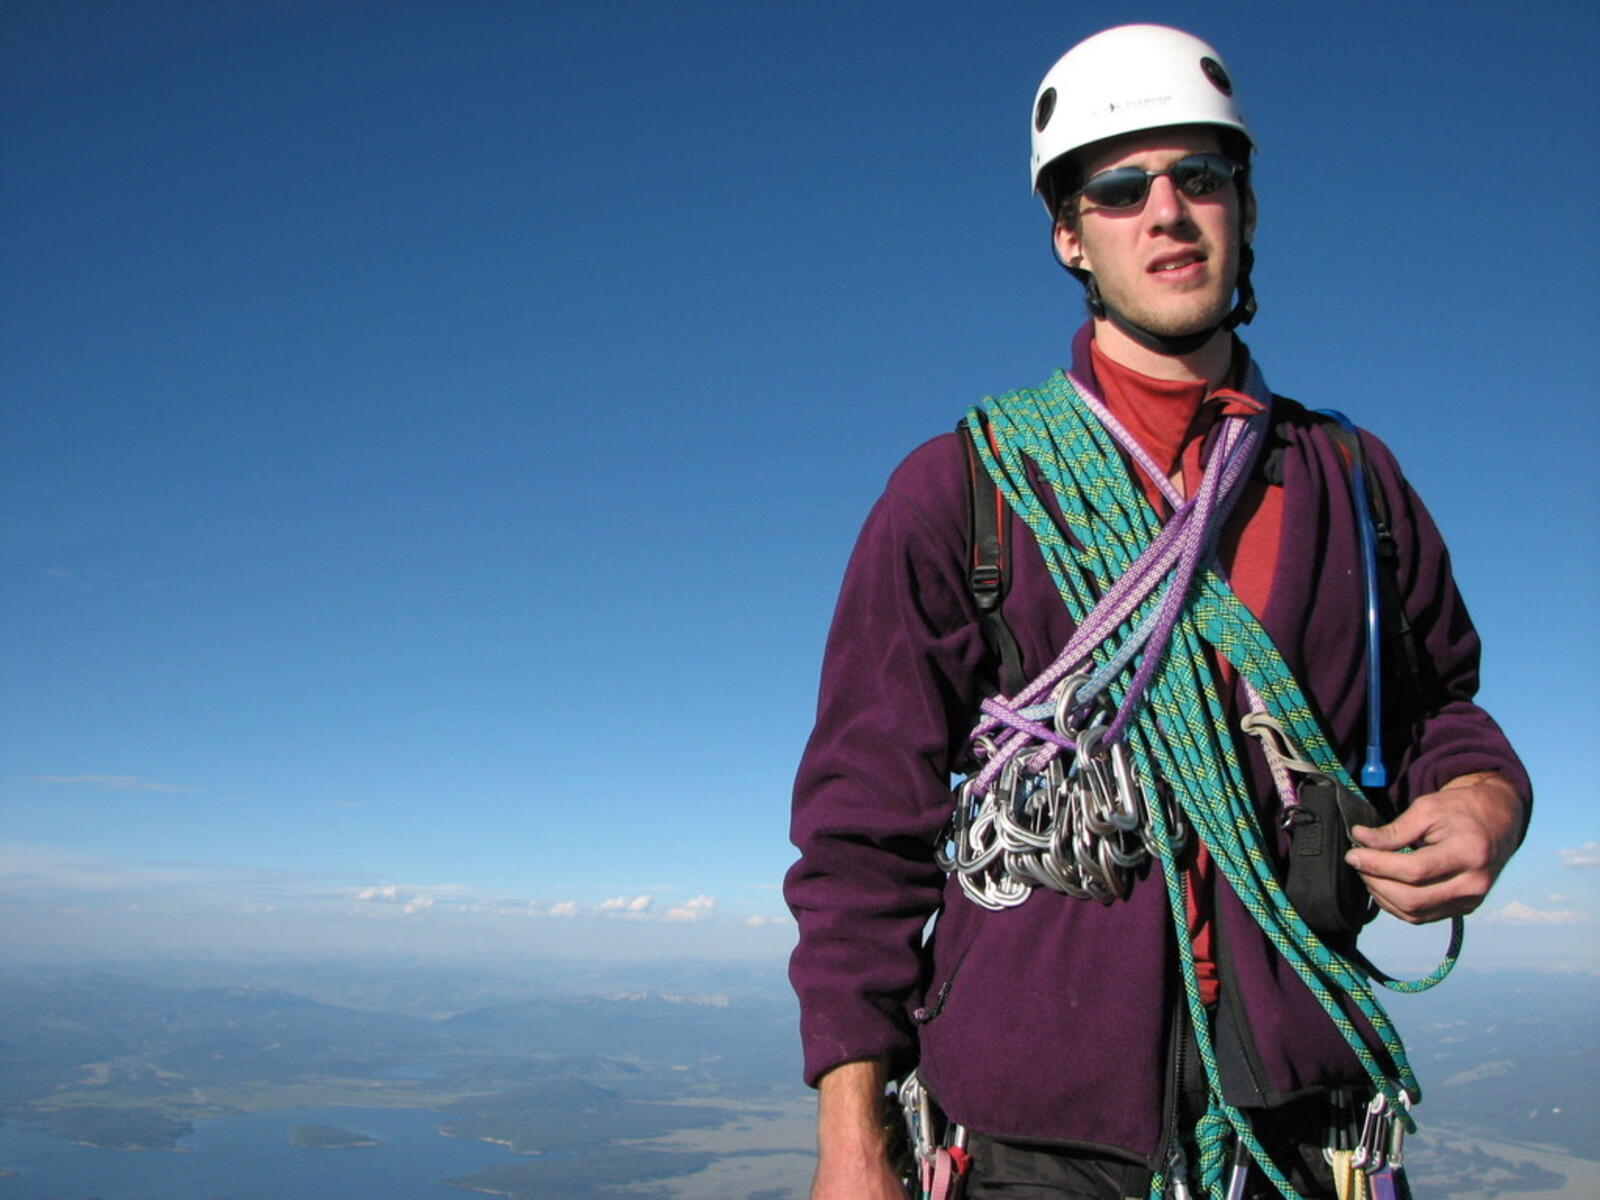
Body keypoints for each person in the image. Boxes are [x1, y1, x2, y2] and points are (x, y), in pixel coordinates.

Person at [783, 23, 1531, 1200]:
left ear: (1243, 206)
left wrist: (1485, 799)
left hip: (1303, 1127)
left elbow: (1442, 706)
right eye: (1121, 188)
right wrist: (851, 1141)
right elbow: (860, 833)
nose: (1167, 211)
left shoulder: (1350, 481)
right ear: (1070, 236)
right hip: (1034, 1150)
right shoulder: (966, 491)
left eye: (1201, 177)